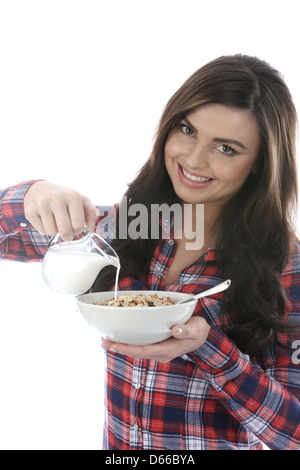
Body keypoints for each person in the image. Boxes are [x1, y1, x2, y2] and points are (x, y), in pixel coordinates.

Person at [1, 54, 300, 450]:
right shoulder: (128, 226)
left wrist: (208, 347)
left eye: (226, 148)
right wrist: (28, 195)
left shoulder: (287, 268)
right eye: (187, 129)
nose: (193, 160)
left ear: (261, 163)